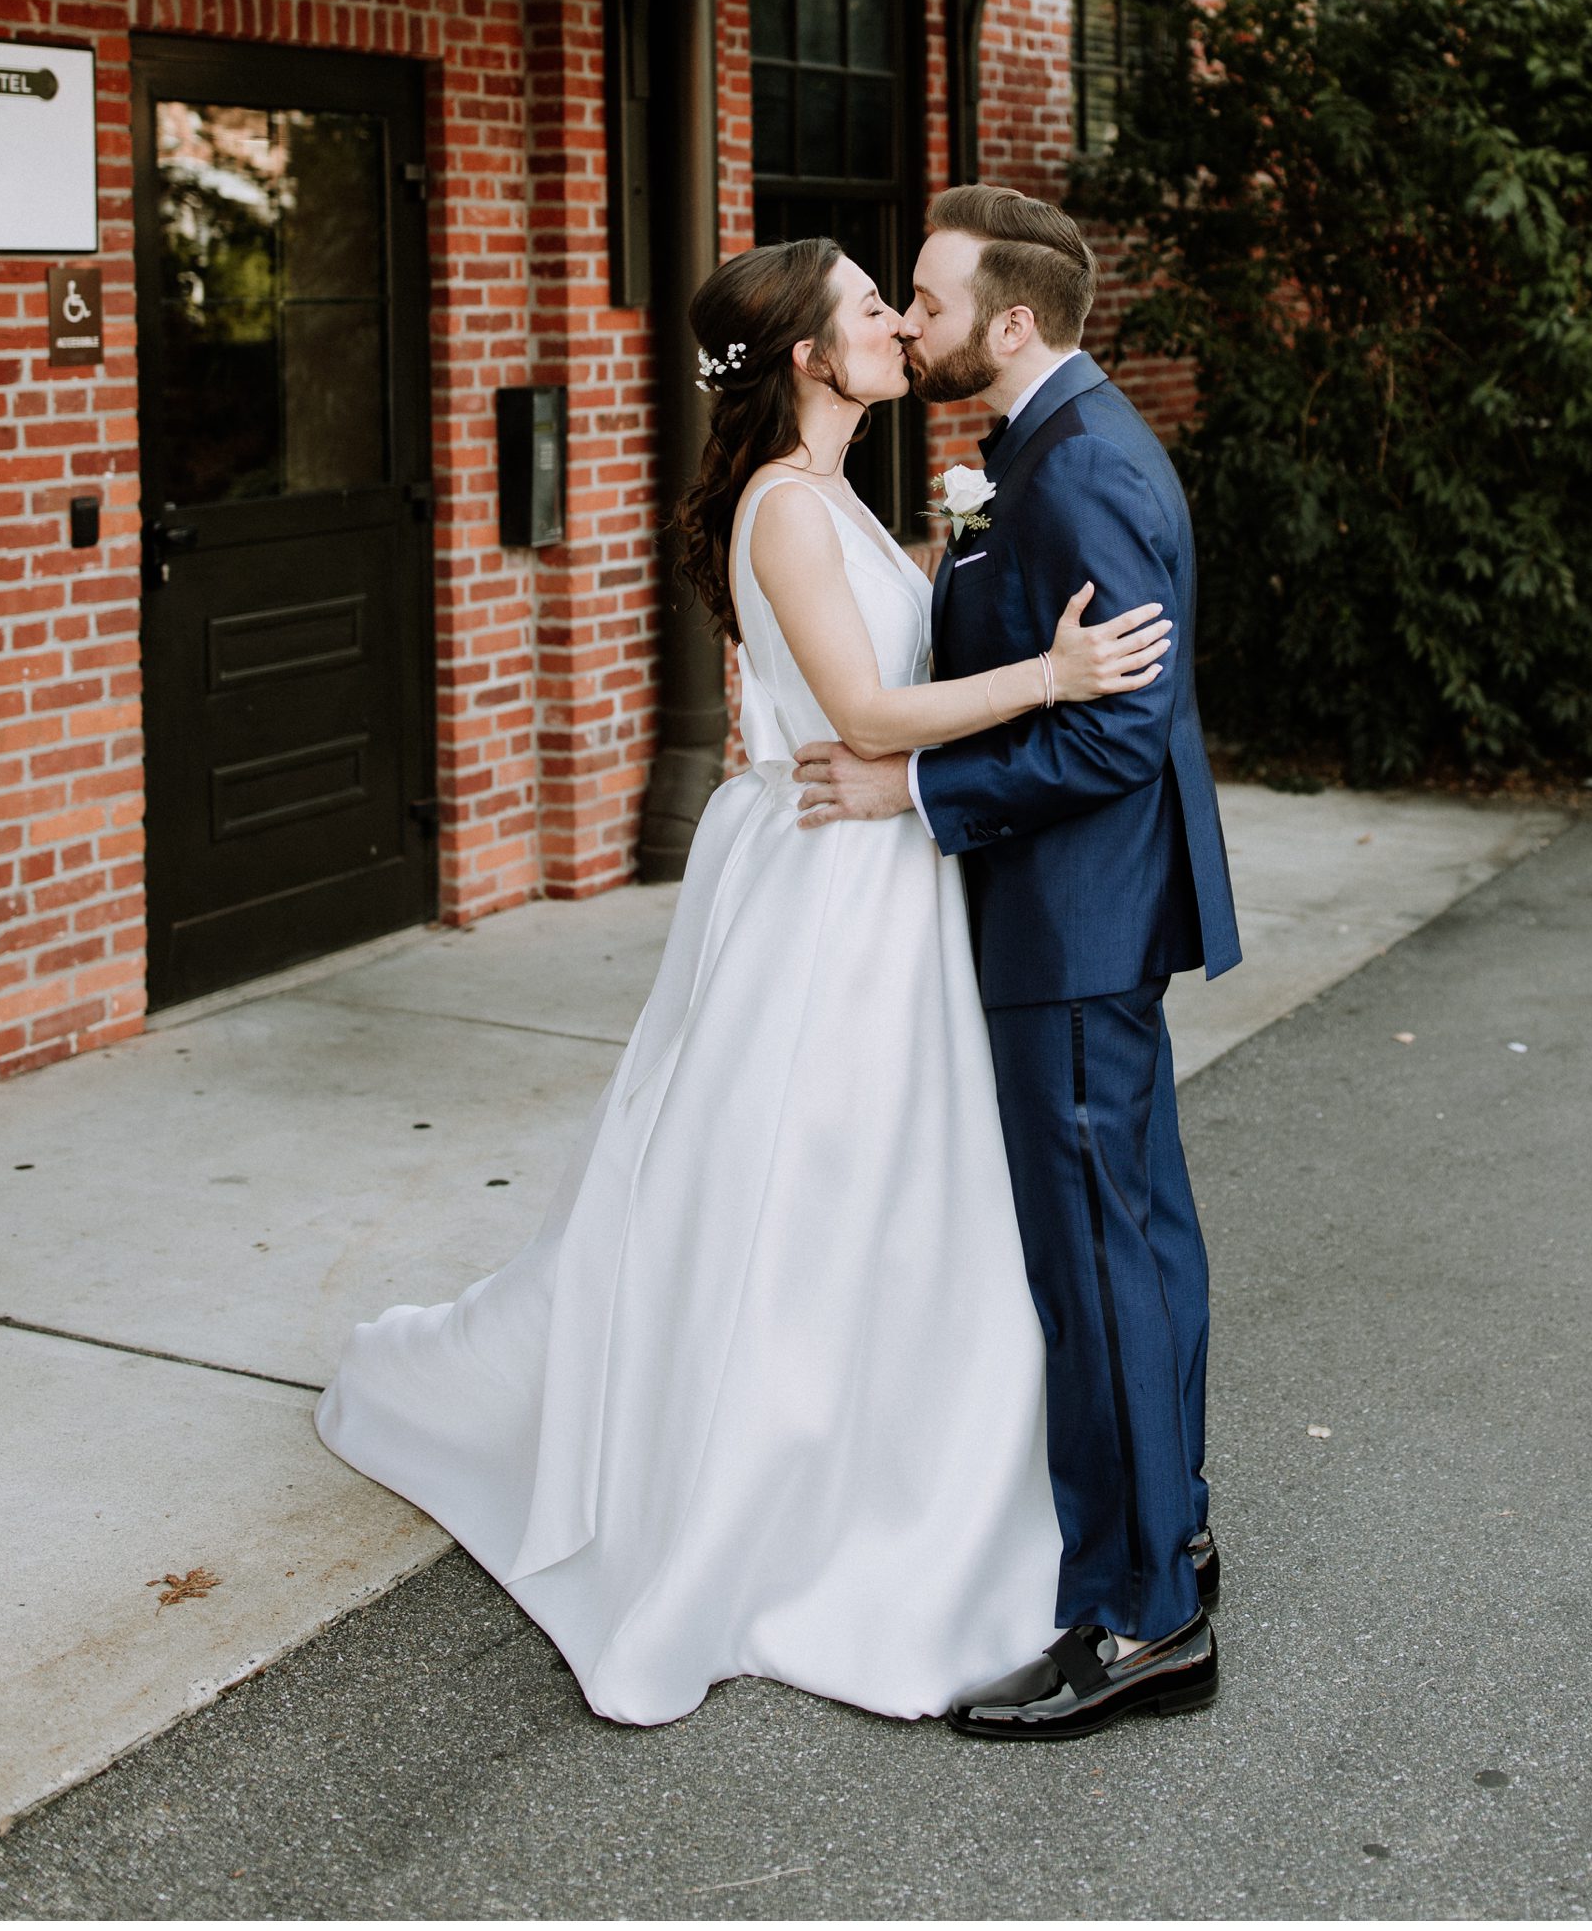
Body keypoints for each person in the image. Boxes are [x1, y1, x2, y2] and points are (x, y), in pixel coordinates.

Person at [315, 235, 1173, 1729]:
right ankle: (781, 1497)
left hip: (886, 868)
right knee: (806, 1180)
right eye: (866, 310)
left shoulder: (833, 491)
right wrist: (1053, 675)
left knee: (897, 1193)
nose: (898, 327)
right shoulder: (784, 505)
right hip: (830, 889)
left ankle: (911, 1473)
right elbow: (860, 707)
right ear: (803, 356)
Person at [795, 184, 1241, 1743]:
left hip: (1071, 922)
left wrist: (913, 790)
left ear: (1016, 321)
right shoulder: (1053, 448)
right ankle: (1167, 1533)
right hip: (1088, 915)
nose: (910, 321)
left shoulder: (1086, 467)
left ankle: (1138, 1618)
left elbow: (1116, 725)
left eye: (928, 297)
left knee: (1102, 1262)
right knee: (1139, 1237)